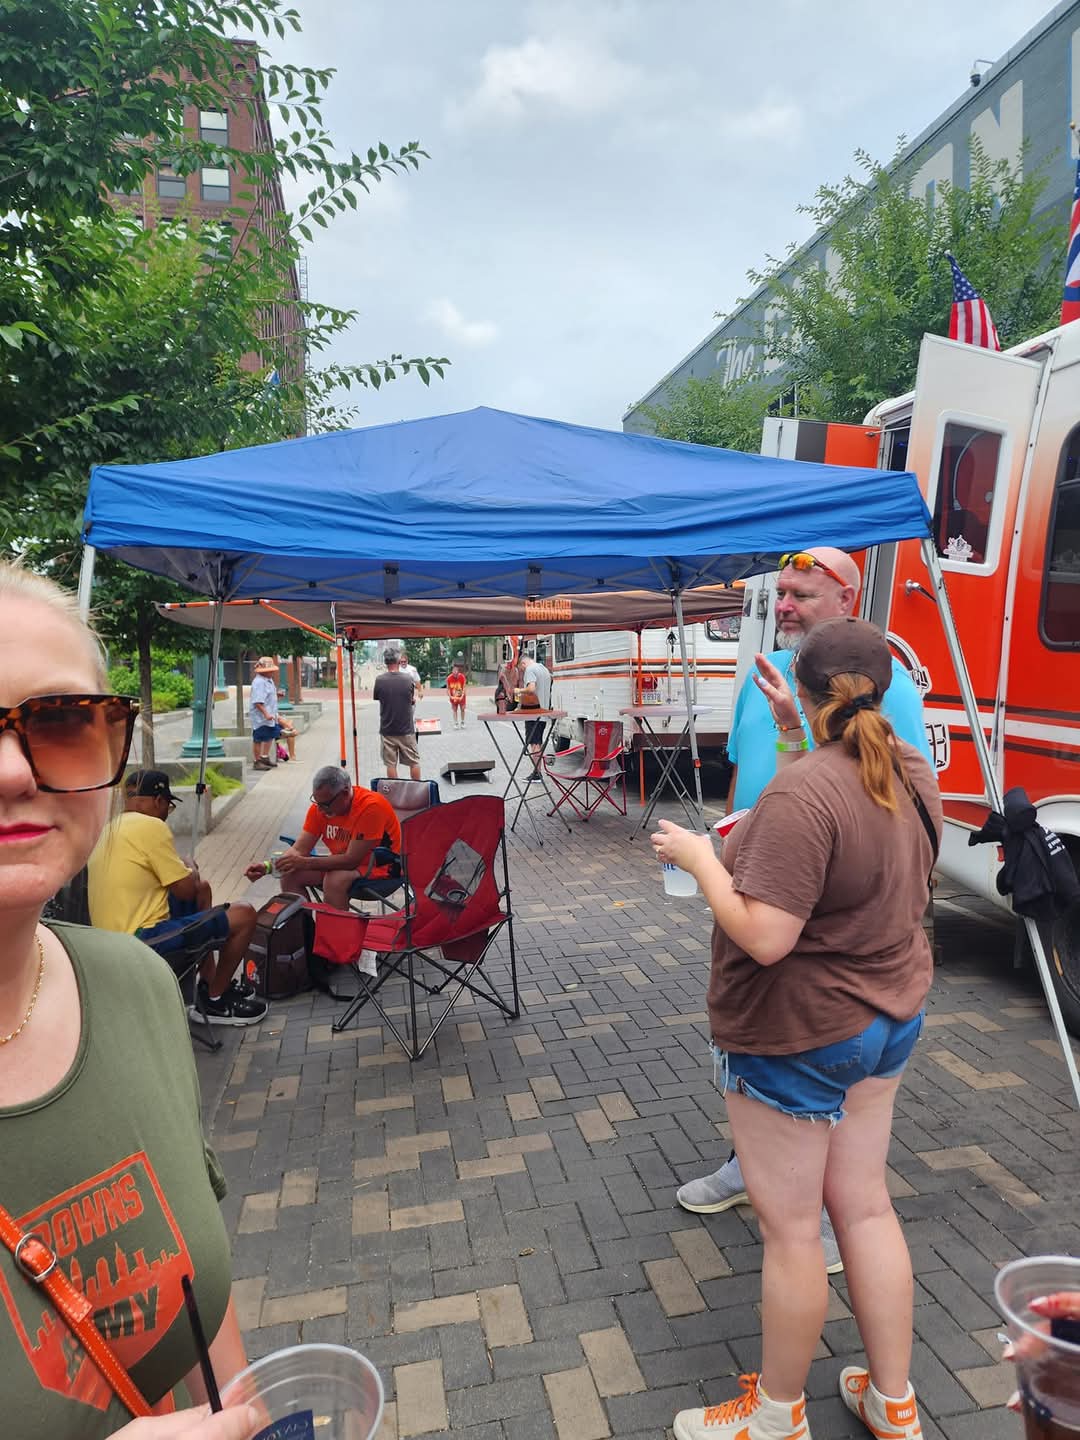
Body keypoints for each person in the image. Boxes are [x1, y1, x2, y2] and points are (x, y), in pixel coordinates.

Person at [654, 618, 942, 1440]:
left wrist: (700, 859)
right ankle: (893, 1401)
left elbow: (766, 935)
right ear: (884, 690)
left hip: (801, 1033)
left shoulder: (802, 795)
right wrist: (793, 734)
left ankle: (776, 1414)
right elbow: (831, 816)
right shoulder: (910, 769)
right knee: (867, 1209)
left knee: (789, 1233)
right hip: (888, 1015)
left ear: (808, 690)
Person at [0, 560, 259, 1440]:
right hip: (164, 934)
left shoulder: (131, 990)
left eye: (61, 721)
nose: (13, 772)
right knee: (241, 915)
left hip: (143, 949)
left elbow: (197, 1287)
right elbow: (192, 892)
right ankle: (227, 992)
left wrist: (252, 1415)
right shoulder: (150, 839)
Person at [677, 547, 935, 1271]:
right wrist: (733, 849)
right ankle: (752, 1168)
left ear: (847, 598)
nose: (784, 605)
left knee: (815, 1155)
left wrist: (712, 868)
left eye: (801, 594)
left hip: (821, 974)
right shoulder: (769, 679)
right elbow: (744, 781)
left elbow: (890, 820)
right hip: (777, 902)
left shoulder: (886, 694)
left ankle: (809, 1211)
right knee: (789, 1109)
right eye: (782, 593)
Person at [87, 770, 266, 1027]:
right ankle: (216, 1000)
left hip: (110, 945)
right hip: (145, 941)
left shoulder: (109, 829)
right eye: (168, 807)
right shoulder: (151, 826)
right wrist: (190, 865)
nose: (166, 813)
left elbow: (191, 888)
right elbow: (186, 890)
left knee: (204, 889)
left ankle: (209, 982)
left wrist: (188, 874)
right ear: (158, 800)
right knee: (245, 913)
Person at [246, 765, 401, 909]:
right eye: (316, 802)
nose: (320, 810)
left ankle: (334, 930)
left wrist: (305, 863)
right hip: (344, 864)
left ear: (345, 793)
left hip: (383, 868)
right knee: (290, 874)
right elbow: (299, 849)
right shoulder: (320, 807)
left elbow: (351, 860)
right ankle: (303, 926)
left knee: (334, 880)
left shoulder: (371, 807)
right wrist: (268, 867)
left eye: (325, 804)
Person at [373, 648, 421, 782]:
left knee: (390, 764)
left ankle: (395, 790)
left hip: (387, 729)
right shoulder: (408, 679)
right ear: (399, 661)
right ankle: (417, 789)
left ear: (385, 662)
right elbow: (411, 699)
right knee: (414, 762)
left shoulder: (379, 680)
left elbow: (379, 698)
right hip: (406, 729)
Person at [521, 644, 553, 778]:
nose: (523, 671)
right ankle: (537, 772)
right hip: (543, 712)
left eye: (521, 668)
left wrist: (519, 690)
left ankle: (537, 773)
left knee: (534, 744)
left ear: (523, 663)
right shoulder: (544, 669)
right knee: (538, 741)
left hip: (533, 713)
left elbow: (531, 689)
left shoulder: (530, 669)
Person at [248, 655, 280, 771]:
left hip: (270, 714)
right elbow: (257, 701)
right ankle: (257, 761)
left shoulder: (268, 680)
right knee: (259, 738)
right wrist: (266, 713)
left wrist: (277, 695)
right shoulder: (259, 682)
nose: (272, 672)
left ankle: (264, 757)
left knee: (270, 735)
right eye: (270, 670)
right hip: (261, 717)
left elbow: (267, 696)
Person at [399, 650, 424, 741]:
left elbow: (417, 681)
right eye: (401, 662)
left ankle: (412, 735)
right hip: (399, 697)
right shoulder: (397, 669)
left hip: (410, 697)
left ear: (407, 661)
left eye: (404, 661)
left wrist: (420, 691)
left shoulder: (412, 669)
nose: (403, 663)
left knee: (410, 717)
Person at [494, 650, 523, 715]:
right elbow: (504, 683)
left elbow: (519, 685)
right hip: (505, 697)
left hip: (511, 697)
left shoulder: (517, 671)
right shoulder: (503, 669)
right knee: (504, 712)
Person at [446, 655, 467, 730]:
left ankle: (463, 722)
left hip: (461, 696)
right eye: (454, 673)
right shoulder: (449, 678)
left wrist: (462, 696)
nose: (455, 675)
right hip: (453, 696)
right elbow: (448, 689)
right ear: (452, 672)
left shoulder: (462, 677)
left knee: (463, 709)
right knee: (454, 710)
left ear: (458, 672)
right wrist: (450, 696)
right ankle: (455, 723)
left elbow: (464, 687)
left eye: (456, 674)